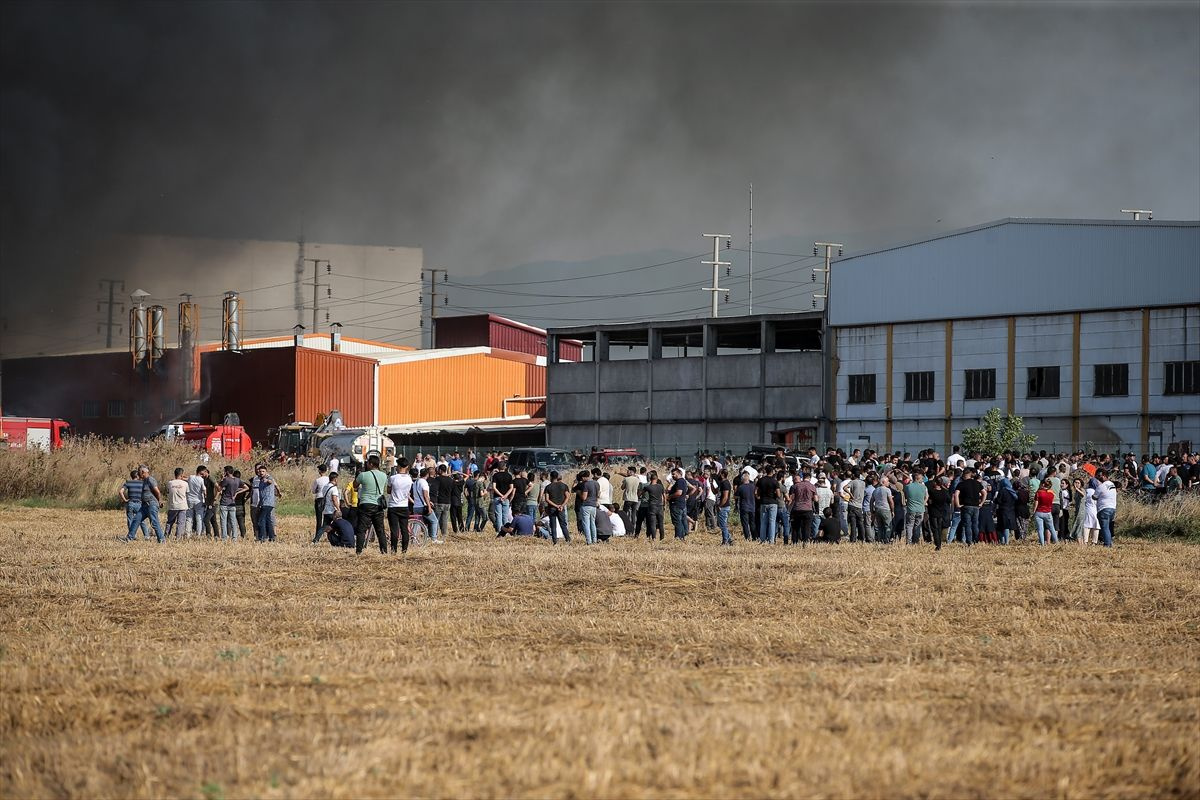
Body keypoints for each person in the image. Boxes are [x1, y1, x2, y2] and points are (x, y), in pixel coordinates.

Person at [354, 454, 389, 554]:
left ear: (370, 464)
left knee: (362, 529)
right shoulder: (384, 475)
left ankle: (359, 551)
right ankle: (384, 551)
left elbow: (354, 485)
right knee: (380, 530)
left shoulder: (363, 475)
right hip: (378, 505)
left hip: (365, 504)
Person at [128, 465, 165, 543]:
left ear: (142, 472)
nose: (138, 474)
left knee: (154, 522)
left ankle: (162, 540)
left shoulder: (150, 480)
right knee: (136, 520)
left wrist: (160, 501)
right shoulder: (144, 481)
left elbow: (157, 491)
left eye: (139, 472)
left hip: (151, 504)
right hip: (144, 506)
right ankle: (129, 538)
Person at [386, 458, 413, 554]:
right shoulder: (409, 479)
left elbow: (388, 491)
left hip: (393, 506)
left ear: (400, 466)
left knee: (394, 530)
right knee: (404, 529)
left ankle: (394, 550)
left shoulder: (393, 478)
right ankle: (404, 550)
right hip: (404, 505)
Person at [953, 468, 985, 546]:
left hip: (966, 506)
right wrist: (981, 503)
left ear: (964, 475)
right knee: (975, 524)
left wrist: (957, 504)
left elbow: (956, 494)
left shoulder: (961, 484)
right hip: (976, 506)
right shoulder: (977, 483)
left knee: (967, 525)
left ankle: (969, 541)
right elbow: (984, 493)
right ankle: (976, 540)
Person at [252, 463, 282, 542]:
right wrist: (259, 504)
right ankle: (272, 537)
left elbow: (270, 482)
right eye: (260, 471)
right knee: (268, 520)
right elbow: (261, 494)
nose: (261, 472)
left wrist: (267, 481)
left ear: (266, 472)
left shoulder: (269, 477)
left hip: (268, 503)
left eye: (263, 471)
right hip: (263, 503)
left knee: (261, 520)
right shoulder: (260, 481)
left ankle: (263, 537)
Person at [120, 469, 151, 540]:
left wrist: (125, 500)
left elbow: (121, 491)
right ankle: (146, 535)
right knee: (141, 520)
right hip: (139, 504)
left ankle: (132, 535)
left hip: (130, 503)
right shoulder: (142, 483)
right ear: (137, 475)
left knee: (130, 520)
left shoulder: (128, 482)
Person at [218, 465, 245, 541]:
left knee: (223, 521)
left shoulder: (226, 480)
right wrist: (236, 493)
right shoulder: (237, 480)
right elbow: (246, 487)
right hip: (232, 503)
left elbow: (219, 488)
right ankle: (235, 538)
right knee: (233, 521)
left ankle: (224, 538)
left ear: (226, 472)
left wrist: (221, 479)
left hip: (224, 502)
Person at [544, 470, 571, 544]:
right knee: (563, 524)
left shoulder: (548, 487)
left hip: (552, 508)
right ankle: (568, 539)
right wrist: (561, 505)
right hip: (561, 508)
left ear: (551, 477)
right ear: (557, 477)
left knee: (553, 525)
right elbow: (567, 496)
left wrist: (556, 505)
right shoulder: (564, 485)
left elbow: (547, 499)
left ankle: (555, 541)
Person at [639, 470, 666, 541]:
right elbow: (664, 496)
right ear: (657, 479)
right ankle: (662, 537)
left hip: (652, 506)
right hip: (660, 505)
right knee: (660, 522)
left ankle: (654, 537)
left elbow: (640, 494)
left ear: (650, 479)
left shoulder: (648, 487)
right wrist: (664, 505)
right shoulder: (660, 486)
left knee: (653, 523)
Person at [926, 476, 951, 550]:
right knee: (939, 528)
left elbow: (930, 501)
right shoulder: (944, 491)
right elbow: (949, 500)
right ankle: (939, 543)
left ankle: (937, 544)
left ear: (935, 483)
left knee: (934, 528)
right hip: (941, 511)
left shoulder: (932, 491)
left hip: (933, 511)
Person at [1094, 469, 1117, 548]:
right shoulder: (1112, 484)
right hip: (1112, 508)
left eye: (1100, 476)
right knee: (1108, 527)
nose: (1099, 478)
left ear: (1104, 476)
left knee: (1104, 527)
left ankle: (1107, 544)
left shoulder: (1101, 486)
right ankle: (1109, 542)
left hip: (1103, 508)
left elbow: (1094, 497)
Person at [903, 473, 928, 545]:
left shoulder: (908, 487)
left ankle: (908, 541)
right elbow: (926, 497)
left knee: (909, 525)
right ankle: (916, 541)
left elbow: (906, 497)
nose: (922, 480)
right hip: (920, 509)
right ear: (917, 478)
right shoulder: (924, 487)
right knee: (917, 526)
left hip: (911, 509)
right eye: (921, 478)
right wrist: (923, 504)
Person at [165, 467, 189, 539]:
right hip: (182, 506)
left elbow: (168, 492)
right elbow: (187, 493)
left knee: (170, 522)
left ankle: (166, 535)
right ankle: (178, 537)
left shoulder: (170, 483)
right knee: (180, 523)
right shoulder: (185, 484)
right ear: (182, 475)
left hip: (172, 505)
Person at [490, 463, 515, 534]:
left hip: (497, 497)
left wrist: (501, 495)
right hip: (506, 498)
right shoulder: (509, 476)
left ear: (498, 467)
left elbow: (494, 487)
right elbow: (511, 488)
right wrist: (505, 495)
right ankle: (505, 531)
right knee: (505, 516)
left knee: (498, 515)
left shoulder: (495, 475)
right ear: (505, 467)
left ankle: (499, 531)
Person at [577, 470, 599, 545]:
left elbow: (584, 497)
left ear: (583, 477)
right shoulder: (596, 483)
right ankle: (594, 539)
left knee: (586, 524)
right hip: (594, 505)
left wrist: (579, 493)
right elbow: (598, 495)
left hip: (586, 505)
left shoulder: (586, 484)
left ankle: (589, 541)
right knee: (593, 523)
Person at [668, 467, 690, 540]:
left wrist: (670, 497)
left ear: (679, 473)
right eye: (672, 475)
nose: (673, 476)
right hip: (681, 504)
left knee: (677, 522)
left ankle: (679, 537)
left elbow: (679, 493)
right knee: (681, 521)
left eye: (674, 474)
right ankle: (682, 536)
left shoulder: (680, 482)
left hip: (676, 504)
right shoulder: (683, 481)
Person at [311, 464, 330, 543]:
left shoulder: (317, 480)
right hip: (327, 499)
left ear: (319, 471)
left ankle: (317, 536)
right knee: (327, 519)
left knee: (319, 519)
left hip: (319, 499)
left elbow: (313, 491)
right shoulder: (329, 479)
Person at [187, 466, 207, 538]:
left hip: (189, 500)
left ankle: (188, 534)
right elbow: (204, 490)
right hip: (198, 500)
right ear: (201, 471)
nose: (205, 473)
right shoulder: (201, 480)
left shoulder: (190, 477)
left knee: (189, 518)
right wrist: (206, 499)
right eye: (204, 471)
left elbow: (186, 480)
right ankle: (198, 535)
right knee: (199, 518)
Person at [715, 468, 732, 546]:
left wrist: (720, 506)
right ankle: (729, 539)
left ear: (722, 474)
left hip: (723, 507)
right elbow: (716, 492)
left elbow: (725, 497)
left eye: (719, 473)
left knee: (723, 525)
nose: (718, 474)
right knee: (721, 524)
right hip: (722, 506)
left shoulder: (725, 483)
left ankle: (725, 541)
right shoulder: (722, 483)